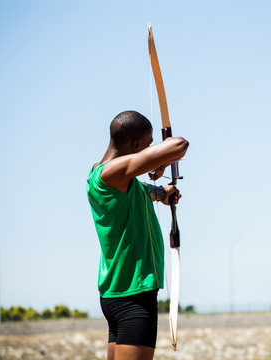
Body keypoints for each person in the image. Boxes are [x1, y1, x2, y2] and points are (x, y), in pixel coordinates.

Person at [86, 110, 189, 360]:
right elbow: (179, 144)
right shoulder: (109, 173)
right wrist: (161, 160)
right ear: (135, 145)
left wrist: (161, 192)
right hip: (133, 295)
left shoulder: (115, 180)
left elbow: (144, 191)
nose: (150, 149)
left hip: (118, 294)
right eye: (147, 144)